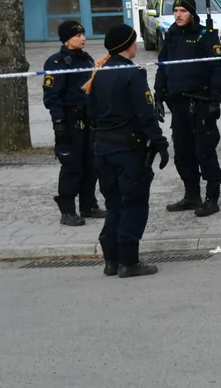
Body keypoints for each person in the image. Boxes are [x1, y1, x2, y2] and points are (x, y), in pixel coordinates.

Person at [84, 24, 171, 278]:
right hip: (128, 150)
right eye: (134, 41)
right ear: (128, 46)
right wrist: (160, 142)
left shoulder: (98, 73)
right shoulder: (133, 74)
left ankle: (111, 260)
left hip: (103, 149)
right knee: (133, 203)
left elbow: (91, 112)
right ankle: (129, 262)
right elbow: (145, 114)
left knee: (114, 204)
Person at [153, 0, 221, 217]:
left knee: (204, 151)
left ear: (192, 13)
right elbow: (162, 67)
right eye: (176, 11)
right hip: (178, 105)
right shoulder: (171, 35)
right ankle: (192, 195)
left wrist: (215, 99)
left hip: (201, 103)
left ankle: (212, 198)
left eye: (183, 11)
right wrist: (158, 96)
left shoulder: (206, 36)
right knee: (183, 153)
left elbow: (218, 69)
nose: (178, 15)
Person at [42, 20, 104, 226]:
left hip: (88, 120)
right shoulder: (56, 63)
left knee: (91, 164)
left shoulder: (86, 60)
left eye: (83, 35)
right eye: (78, 36)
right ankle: (67, 211)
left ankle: (88, 205)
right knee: (72, 166)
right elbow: (51, 96)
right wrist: (59, 122)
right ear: (66, 40)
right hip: (69, 120)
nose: (83, 38)